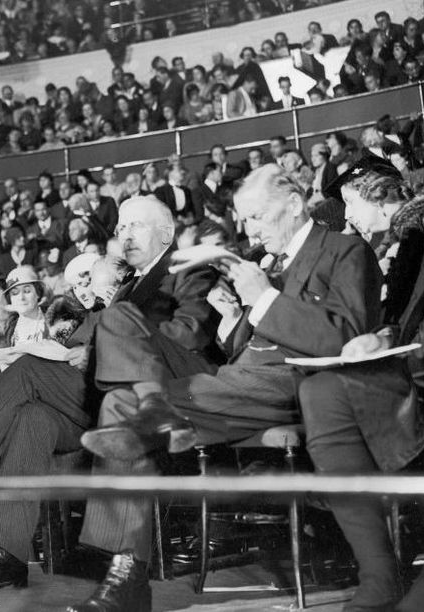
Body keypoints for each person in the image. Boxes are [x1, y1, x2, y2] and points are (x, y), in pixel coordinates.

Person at [69, 164, 382, 612]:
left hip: (295, 383)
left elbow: (346, 337)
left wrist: (265, 299)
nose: (249, 228)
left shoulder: (345, 250)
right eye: (245, 219)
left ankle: (128, 573)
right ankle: (127, 573)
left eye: (256, 216)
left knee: (125, 393)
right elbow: (244, 346)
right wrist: (236, 315)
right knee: (121, 398)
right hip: (239, 383)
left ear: (294, 204)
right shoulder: (263, 261)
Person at [0, 196, 219, 598]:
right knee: (32, 418)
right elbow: (83, 340)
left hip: (161, 393)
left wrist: (103, 350)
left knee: (27, 373)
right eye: (121, 228)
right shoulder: (126, 284)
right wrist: (79, 348)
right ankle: (6, 555)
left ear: (165, 233)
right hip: (102, 397)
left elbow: (189, 335)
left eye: (135, 226)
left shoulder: (187, 271)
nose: (124, 234)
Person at [300, 94, 424, 612]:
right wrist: (384, 336)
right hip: (420, 362)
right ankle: (379, 573)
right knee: (322, 390)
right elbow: (413, 310)